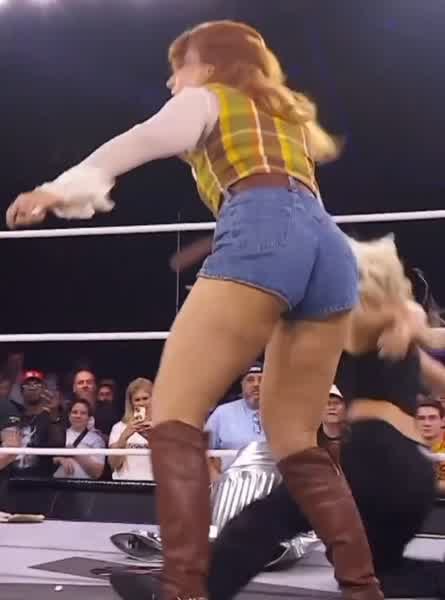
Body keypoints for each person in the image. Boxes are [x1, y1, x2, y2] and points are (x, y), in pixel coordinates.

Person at [5, 21, 380, 600]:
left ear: (206, 65)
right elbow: (289, 202)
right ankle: (363, 589)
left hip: (262, 227)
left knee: (174, 413)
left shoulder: (209, 97)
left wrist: (55, 190)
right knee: (296, 440)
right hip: (328, 249)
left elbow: (143, 138)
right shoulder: (282, 119)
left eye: (177, 67)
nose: (170, 81)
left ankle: (182, 589)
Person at [108, 378, 153, 481]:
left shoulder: (163, 426)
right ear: (131, 403)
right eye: (137, 400)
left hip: (155, 484)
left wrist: (152, 437)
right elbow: (113, 464)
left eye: (145, 398)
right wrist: (123, 437)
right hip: (126, 484)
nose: (141, 403)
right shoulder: (119, 427)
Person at [53, 399, 105, 479]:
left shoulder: (97, 440)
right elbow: (46, 461)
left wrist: (75, 453)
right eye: (74, 412)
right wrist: (59, 459)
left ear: (89, 418)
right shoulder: (58, 434)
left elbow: (97, 473)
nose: (78, 416)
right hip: (56, 483)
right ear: (69, 415)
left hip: (84, 485)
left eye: (83, 413)